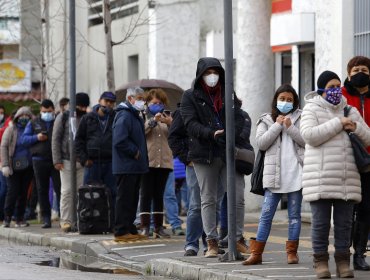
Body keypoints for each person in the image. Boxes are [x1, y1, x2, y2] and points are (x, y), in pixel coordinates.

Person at [300, 70, 370, 279]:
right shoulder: (311, 108)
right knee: (320, 224)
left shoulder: (349, 110)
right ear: (321, 89)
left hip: (347, 178)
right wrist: (338, 123)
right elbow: (309, 136)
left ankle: (342, 262)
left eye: (337, 87)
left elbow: (368, 137)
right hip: (319, 179)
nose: (335, 91)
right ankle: (320, 262)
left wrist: (355, 126)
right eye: (330, 87)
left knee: (344, 224)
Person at [180, 57, 246, 258]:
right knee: (207, 198)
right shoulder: (190, 96)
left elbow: (239, 118)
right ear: (201, 75)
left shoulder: (228, 92)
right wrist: (211, 133)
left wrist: (229, 133)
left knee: (237, 196)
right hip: (204, 153)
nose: (212, 76)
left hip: (227, 151)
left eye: (215, 72)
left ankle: (237, 239)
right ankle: (212, 242)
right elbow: (190, 123)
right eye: (208, 73)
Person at [242, 84, 304, 265]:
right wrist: (277, 126)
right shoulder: (266, 119)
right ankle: (256, 253)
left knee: (294, 216)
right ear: (276, 100)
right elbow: (261, 143)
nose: (286, 102)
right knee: (266, 215)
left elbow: (306, 141)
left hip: (296, 175)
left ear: (295, 102)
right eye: (282, 99)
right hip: (273, 176)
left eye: (290, 100)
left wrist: (290, 127)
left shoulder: (301, 117)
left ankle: (292, 253)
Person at [341, 56, 370, 271]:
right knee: (347, 209)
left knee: (366, 209)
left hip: (369, 161)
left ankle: (360, 254)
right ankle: (344, 252)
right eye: (356, 69)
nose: (361, 72)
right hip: (346, 160)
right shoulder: (340, 96)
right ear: (349, 73)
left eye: (365, 69)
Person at [112, 87, 148, 242]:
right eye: (139, 98)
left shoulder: (135, 115)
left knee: (132, 198)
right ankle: (121, 230)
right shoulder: (125, 116)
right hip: (126, 164)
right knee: (125, 198)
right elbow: (119, 140)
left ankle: (129, 227)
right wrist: (135, 152)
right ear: (130, 98)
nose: (142, 101)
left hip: (134, 165)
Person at [75, 91, 117, 224]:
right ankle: (87, 222)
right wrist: (84, 159)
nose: (108, 104)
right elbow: (79, 141)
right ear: (99, 101)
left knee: (113, 194)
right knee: (88, 194)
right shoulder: (88, 118)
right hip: (92, 163)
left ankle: (112, 222)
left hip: (110, 162)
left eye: (111, 102)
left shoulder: (115, 117)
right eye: (106, 101)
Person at [52, 92, 90, 232]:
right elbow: (55, 139)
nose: (83, 109)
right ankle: (66, 221)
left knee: (81, 192)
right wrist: (57, 160)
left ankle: (80, 220)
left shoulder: (87, 117)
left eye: (85, 106)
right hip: (66, 160)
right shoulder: (63, 117)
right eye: (80, 106)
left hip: (82, 160)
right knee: (67, 191)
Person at [21, 99, 61, 228]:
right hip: (39, 160)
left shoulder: (58, 121)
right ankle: (46, 218)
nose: (47, 114)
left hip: (56, 160)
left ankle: (64, 217)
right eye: (44, 112)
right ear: (40, 111)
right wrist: (36, 137)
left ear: (53, 110)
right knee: (41, 190)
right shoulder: (33, 122)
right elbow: (24, 140)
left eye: (49, 111)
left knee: (60, 189)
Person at [140, 88, 173, 238]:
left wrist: (170, 123)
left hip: (164, 161)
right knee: (146, 193)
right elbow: (142, 132)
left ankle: (158, 227)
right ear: (147, 103)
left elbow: (175, 136)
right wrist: (153, 121)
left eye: (160, 103)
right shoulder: (143, 115)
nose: (157, 105)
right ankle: (145, 226)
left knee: (159, 194)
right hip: (148, 161)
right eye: (154, 102)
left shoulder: (168, 116)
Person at [1, 107, 34, 227]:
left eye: (27, 116)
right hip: (13, 166)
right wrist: (5, 165)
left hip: (28, 167)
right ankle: (7, 217)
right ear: (17, 118)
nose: (24, 118)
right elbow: (3, 146)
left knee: (24, 193)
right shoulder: (11, 130)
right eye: (22, 116)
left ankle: (20, 218)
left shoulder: (33, 129)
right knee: (12, 192)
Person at [0, 104, 11, 221]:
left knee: (4, 189)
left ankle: (3, 215)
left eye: (2, 113)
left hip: (3, 163)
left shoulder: (6, 126)